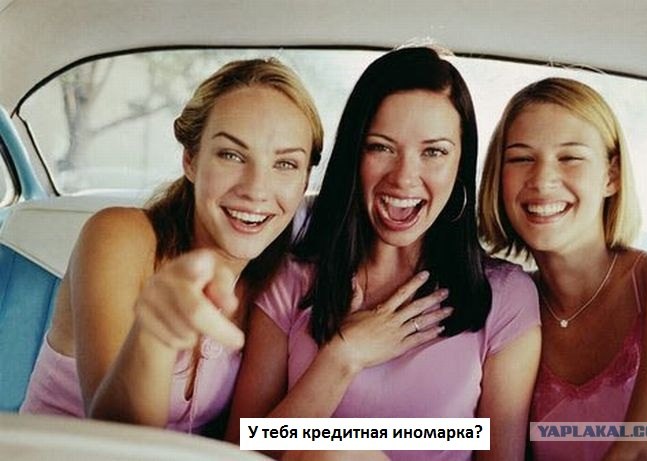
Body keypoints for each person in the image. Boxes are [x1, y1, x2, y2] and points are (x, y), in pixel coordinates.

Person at [228, 47, 542, 461]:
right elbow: (239, 453)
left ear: (460, 163)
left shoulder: (505, 296)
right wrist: (342, 358)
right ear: (354, 155)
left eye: (434, 152)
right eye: (381, 147)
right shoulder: (292, 276)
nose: (404, 178)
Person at [20, 58, 324, 436]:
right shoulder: (119, 237)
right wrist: (155, 335)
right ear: (191, 160)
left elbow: (253, 441)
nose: (256, 189)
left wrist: (343, 364)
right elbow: (118, 437)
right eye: (231, 155)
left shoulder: (275, 286)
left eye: (286, 164)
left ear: (305, 181)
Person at [478, 77, 647, 460]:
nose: (542, 179)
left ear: (611, 176)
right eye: (521, 158)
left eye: (570, 157)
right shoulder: (508, 306)